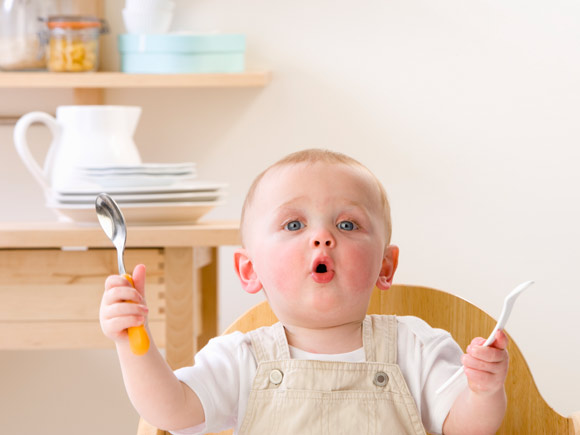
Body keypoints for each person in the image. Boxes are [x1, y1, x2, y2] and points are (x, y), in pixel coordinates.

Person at [100, 149, 509, 435]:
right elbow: (172, 413)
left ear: (385, 266)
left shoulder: (416, 347)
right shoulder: (241, 359)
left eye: (347, 225)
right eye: (294, 225)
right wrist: (132, 343)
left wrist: (484, 391)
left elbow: (469, 426)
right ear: (250, 270)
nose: (322, 237)